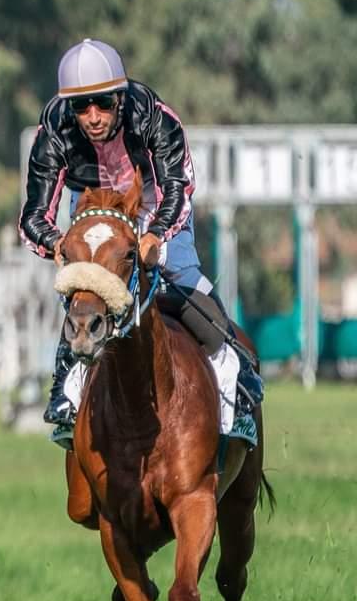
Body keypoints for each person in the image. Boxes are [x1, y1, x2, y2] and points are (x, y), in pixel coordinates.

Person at [21, 37, 262, 443]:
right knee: (83, 296)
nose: (92, 116)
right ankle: (66, 395)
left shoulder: (155, 119)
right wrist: (56, 244)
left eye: (103, 103)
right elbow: (33, 216)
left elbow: (178, 189)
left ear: (121, 96)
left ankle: (235, 390)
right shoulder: (54, 131)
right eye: (81, 106)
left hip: (154, 199)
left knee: (183, 276)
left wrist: (155, 236)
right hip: (93, 202)